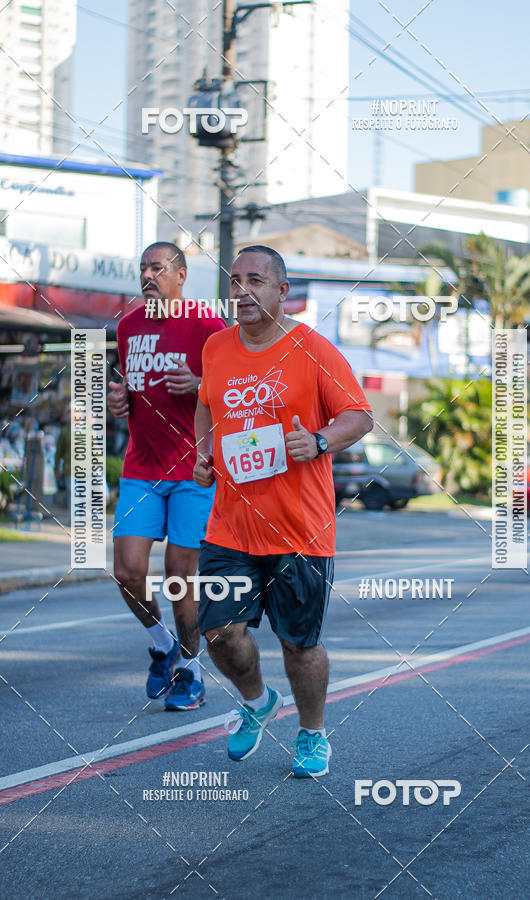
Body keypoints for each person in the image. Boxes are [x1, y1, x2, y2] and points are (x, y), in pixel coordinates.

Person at [193, 245, 372, 777]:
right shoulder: (216, 348)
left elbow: (358, 416)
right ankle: (256, 701)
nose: (242, 292)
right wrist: (203, 454)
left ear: (281, 290)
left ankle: (312, 733)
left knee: (298, 644)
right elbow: (206, 405)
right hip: (230, 523)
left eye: (255, 281)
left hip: (300, 529)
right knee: (220, 632)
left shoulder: (314, 349)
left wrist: (318, 441)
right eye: (235, 281)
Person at [108, 242, 226, 710]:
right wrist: (120, 403)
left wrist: (201, 385)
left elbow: (232, 389)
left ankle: (191, 673)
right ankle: (162, 645)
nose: (148, 276)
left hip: (193, 468)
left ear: (180, 275)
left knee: (180, 576)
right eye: (143, 268)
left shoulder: (206, 326)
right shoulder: (127, 325)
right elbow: (130, 393)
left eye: (157, 268)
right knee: (127, 570)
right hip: (142, 466)